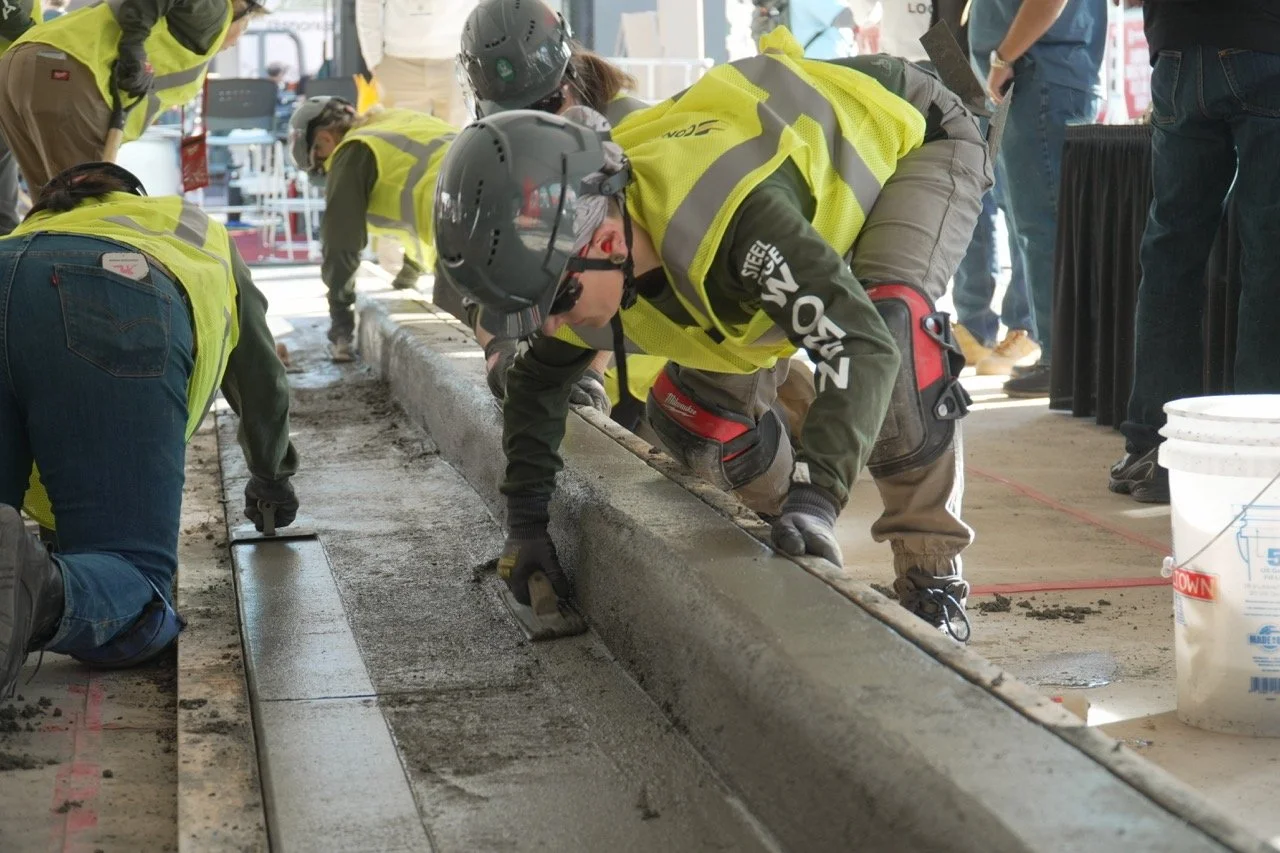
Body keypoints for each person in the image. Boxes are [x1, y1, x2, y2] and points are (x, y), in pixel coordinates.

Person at [434, 27, 992, 637]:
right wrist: (525, 524)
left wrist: (820, 497)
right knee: (695, 419)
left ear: (608, 241)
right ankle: (800, 523)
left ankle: (930, 577)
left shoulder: (730, 227)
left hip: (910, 129)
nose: (553, 326)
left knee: (894, 334)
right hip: (771, 221)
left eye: (556, 302)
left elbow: (857, 343)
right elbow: (536, 385)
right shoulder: (580, 253)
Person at [0, 162, 299, 697]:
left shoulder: (21, 236)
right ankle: (42, 590)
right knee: (133, 585)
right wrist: (271, 476)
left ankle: (28, 574)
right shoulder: (187, 227)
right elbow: (260, 375)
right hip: (114, 289)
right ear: (130, 195)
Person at [1109, 0, 1280, 504]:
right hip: (1267, 41)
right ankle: (1258, 450)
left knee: (1171, 251)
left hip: (1179, 45)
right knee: (1269, 255)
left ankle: (1155, 447)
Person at [455, 0, 652, 422]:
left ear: (570, 80)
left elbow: (624, 264)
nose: (532, 126)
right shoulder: (507, 152)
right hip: (575, 348)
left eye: (543, 108)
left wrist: (592, 372)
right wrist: (500, 352)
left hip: (659, 354)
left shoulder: (631, 135)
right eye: (515, 115)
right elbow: (491, 274)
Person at [968, 0, 1106, 396]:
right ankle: (1064, 357)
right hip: (1037, 74)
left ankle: (1067, 361)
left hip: (1038, 74)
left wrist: (1003, 57)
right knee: (1038, 224)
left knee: (1046, 226)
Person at [0, 0, 267, 192]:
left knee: (52, 207)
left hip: (16, 66)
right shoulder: (215, 12)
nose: (235, 43)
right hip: (65, 70)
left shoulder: (190, 31)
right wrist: (133, 50)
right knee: (86, 210)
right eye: (245, 29)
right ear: (241, 9)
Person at [287, 96, 453, 362]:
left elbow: (340, 242)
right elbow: (416, 191)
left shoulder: (353, 151)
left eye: (321, 165)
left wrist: (340, 320)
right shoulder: (392, 121)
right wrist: (406, 279)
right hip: (492, 184)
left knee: (466, 335)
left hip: (459, 220)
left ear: (325, 139)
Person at [356, 0, 475, 126]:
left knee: (462, 134)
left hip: (456, 56)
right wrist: (373, 58)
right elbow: (369, 3)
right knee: (398, 133)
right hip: (398, 61)